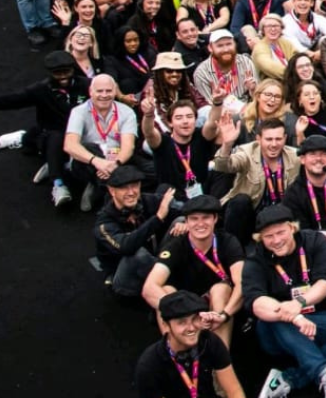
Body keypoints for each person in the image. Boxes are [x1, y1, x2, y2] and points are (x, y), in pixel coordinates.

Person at [242, 205, 326, 398]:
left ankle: (289, 379)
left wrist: (299, 303)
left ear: (292, 228)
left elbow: (324, 284)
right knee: (276, 313)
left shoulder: (314, 241)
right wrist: (294, 316)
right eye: (268, 236)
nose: (276, 240)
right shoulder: (255, 260)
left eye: (281, 232)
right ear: (260, 238)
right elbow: (256, 302)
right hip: (277, 329)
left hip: (315, 316)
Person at [0, 50, 87, 207]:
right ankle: (58, 184)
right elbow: (11, 101)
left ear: (73, 69)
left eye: (67, 71)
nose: (63, 77)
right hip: (51, 133)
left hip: (83, 133)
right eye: (58, 73)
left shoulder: (88, 85)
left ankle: (47, 154)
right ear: (50, 73)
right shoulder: (40, 90)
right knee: (54, 140)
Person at [142, 195, 245, 349]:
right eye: (194, 219)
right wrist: (186, 313)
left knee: (221, 288)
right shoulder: (175, 245)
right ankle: (177, 353)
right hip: (184, 307)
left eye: (206, 218)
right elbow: (149, 287)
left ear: (215, 219)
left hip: (216, 309)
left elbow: (242, 283)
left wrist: (223, 315)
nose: (200, 224)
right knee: (166, 291)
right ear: (187, 222)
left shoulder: (228, 241)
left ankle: (219, 359)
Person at [134, 291, 249, 398]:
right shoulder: (150, 364)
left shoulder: (209, 341)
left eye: (195, 319)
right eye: (182, 322)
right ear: (166, 325)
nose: (191, 328)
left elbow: (234, 391)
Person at [211, 115, 299, 245]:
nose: (274, 144)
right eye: (269, 139)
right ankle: (233, 248)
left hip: (282, 215)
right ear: (258, 139)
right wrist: (227, 144)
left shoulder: (295, 156)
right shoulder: (246, 152)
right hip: (251, 215)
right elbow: (222, 166)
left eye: (278, 139)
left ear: (285, 138)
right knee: (240, 201)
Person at [62, 74, 143, 213]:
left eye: (108, 91)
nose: (104, 95)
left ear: (114, 91)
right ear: (90, 92)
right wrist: (97, 161)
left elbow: (128, 147)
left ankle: (96, 186)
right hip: (89, 160)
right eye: (99, 91)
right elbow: (69, 145)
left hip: (117, 159)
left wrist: (114, 164)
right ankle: (116, 205)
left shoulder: (127, 112)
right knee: (88, 148)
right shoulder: (78, 112)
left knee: (152, 169)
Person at [96, 166, 175, 300]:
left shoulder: (145, 201)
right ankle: (175, 283)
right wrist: (158, 218)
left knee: (181, 222)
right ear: (112, 190)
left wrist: (185, 220)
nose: (131, 192)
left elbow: (184, 206)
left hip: (153, 264)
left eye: (135, 186)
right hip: (125, 282)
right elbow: (126, 247)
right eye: (124, 188)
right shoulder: (104, 223)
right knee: (137, 254)